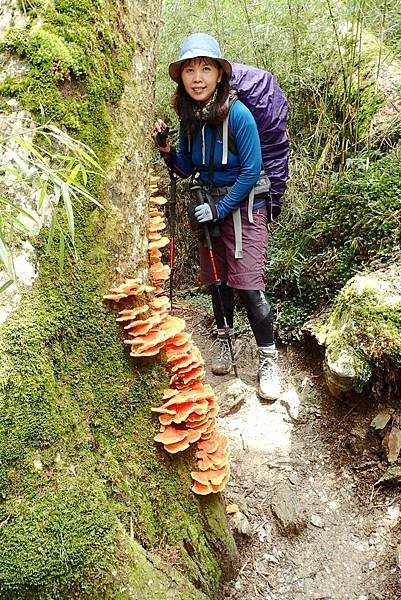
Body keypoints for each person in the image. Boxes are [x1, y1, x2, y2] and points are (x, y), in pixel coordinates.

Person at [153, 33, 289, 401]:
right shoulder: (190, 116)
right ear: (181, 77)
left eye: (205, 68)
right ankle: (226, 342)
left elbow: (252, 169)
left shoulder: (238, 114)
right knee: (218, 281)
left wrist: (219, 207)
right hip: (209, 208)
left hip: (244, 208)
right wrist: (168, 151)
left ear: (219, 74)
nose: (197, 77)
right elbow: (187, 166)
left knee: (247, 285)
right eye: (190, 70)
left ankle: (268, 358)